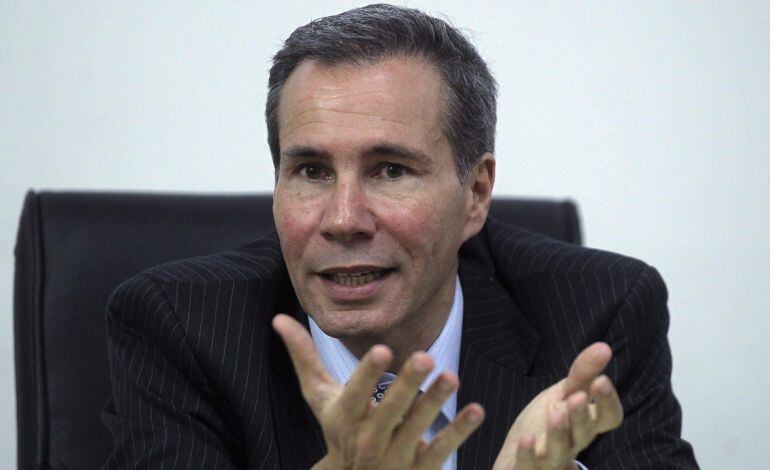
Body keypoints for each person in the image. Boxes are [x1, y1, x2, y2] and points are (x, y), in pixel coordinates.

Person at [102, 4, 697, 469]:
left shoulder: (599, 314)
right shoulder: (178, 326)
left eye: (391, 170)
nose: (342, 220)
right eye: (311, 171)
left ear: (476, 194)